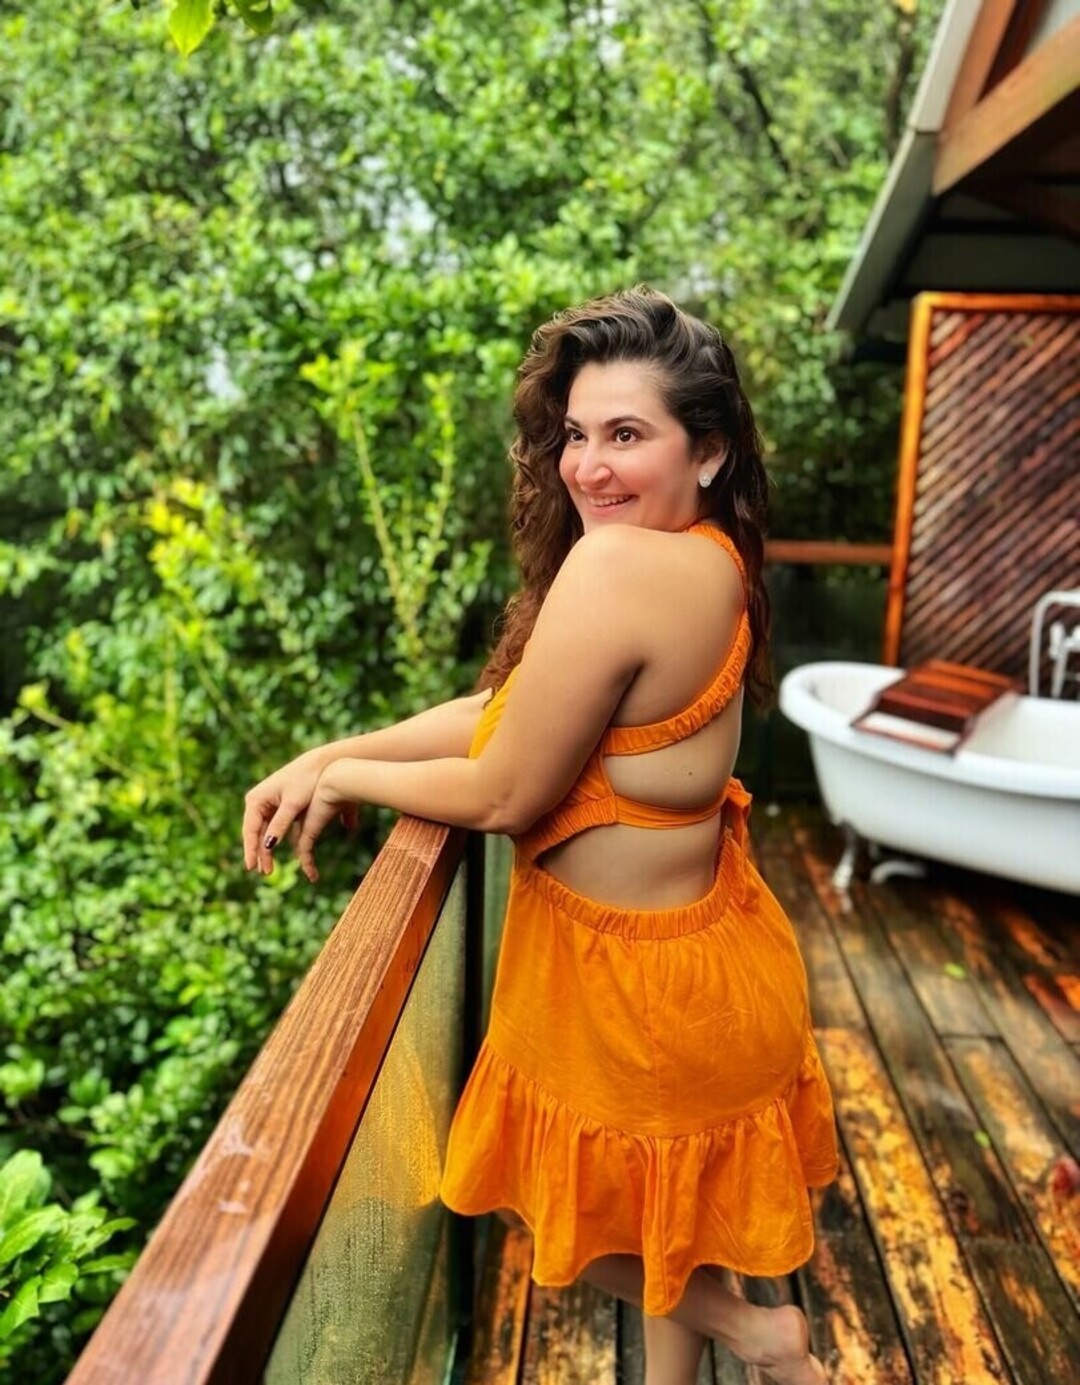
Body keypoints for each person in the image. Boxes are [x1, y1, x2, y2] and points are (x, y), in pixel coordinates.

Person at [242, 287, 839, 1385]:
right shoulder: (711, 556)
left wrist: (347, 777)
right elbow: (512, 711)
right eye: (574, 434)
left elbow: (507, 788)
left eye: (627, 435)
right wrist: (332, 751)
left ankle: (760, 1334)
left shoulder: (618, 567)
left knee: (523, 1190)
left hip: (638, 998)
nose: (587, 466)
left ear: (708, 450)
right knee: (673, 1214)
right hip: (705, 965)